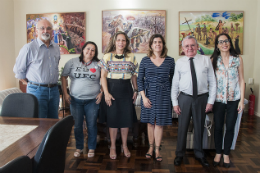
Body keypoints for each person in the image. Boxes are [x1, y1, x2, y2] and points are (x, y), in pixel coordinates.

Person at [171, 36, 216, 167]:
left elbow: (213, 82)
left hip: (202, 98)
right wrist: (175, 102)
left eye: (192, 45)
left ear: (197, 47)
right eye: (186, 46)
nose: (189, 48)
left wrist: (210, 101)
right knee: (182, 128)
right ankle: (179, 154)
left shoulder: (206, 60)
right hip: (184, 98)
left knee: (199, 126)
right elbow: (175, 84)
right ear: (183, 48)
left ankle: (199, 154)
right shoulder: (179, 62)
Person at [98, 31, 138, 160]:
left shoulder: (131, 57)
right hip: (112, 89)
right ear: (114, 42)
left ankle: (125, 145)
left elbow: (133, 75)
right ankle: (113, 146)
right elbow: (103, 76)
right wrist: (106, 93)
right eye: (119, 40)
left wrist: (136, 90)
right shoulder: (107, 56)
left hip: (126, 89)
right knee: (113, 120)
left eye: (124, 40)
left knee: (126, 119)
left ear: (127, 43)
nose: (121, 42)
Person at [137, 34, 175, 162]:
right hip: (148, 94)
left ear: (163, 45)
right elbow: (139, 80)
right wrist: (143, 97)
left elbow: (174, 80)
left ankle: (158, 149)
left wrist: (173, 97)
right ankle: (150, 148)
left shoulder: (170, 60)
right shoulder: (145, 60)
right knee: (150, 122)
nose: (157, 44)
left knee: (159, 124)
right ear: (151, 45)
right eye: (155, 42)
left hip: (164, 95)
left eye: (160, 42)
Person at [61, 41, 102, 158]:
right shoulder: (72, 62)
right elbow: (63, 77)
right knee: (78, 125)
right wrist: (65, 93)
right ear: (83, 49)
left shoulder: (98, 64)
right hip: (75, 100)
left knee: (92, 124)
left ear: (95, 53)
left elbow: (104, 78)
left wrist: (101, 93)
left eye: (93, 50)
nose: (90, 51)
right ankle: (79, 147)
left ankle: (92, 147)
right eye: (88, 49)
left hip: (92, 101)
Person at [13, 19, 60, 119]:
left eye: (48, 28)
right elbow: (18, 71)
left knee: (53, 121)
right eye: (42, 28)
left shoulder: (56, 48)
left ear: (52, 31)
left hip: (54, 90)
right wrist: (32, 84)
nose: (45, 31)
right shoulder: (28, 48)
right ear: (36, 30)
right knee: (39, 122)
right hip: (37, 91)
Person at [210, 33, 245, 168]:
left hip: (233, 99)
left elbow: (242, 80)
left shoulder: (238, 59)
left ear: (230, 43)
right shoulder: (213, 59)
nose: (224, 44)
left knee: (230, 127)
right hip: (218, 99)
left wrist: (242, 100)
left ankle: (226, 154)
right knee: (218, 127)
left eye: (226, 41)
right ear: (217, 45)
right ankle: (218, 153)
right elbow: (211, 82)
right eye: (221, 42)